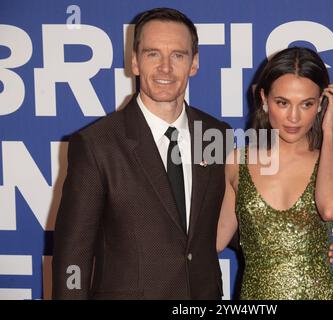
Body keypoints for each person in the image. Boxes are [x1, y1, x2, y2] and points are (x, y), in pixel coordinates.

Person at [52, 7, 231, 299]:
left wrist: (295, 238)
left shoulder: (216, 134)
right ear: (134, 62)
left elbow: (223, 220)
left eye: (178, 55)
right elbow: (74, 252)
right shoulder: (97, 144)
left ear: (194, 63)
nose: (165, 68)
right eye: (152, 54)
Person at [217, 47, 333, 299]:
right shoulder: (238, 161)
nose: (293, 117)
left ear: (321, 104)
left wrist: (329, 132)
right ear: (263, 98)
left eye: (307, 103)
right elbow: (215, 240)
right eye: (282, 103)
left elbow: (331, 208)